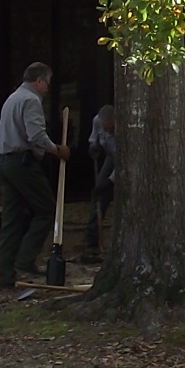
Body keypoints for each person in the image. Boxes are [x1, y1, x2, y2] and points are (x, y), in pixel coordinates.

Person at [0, 62, 68, 288]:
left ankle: (3, 277)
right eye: (47, 83)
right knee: (46, 209)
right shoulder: (30, 100)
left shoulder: (13, 98)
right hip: (21, 163)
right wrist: (56, 149)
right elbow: (35, 134)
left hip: (6, 162)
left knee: (12, 221)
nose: (47, 88)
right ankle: (25, 259)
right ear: (38, 81)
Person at [82, 104, 116, 261]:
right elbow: (94, 137)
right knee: (98, 197)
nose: (107, 131)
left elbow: (125, 162)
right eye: (105, 128)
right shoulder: (97, 121)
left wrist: (109, 182)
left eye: (110, 129)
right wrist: (93, 146)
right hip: (110, 156)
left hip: (124, 158)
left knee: (107, 189)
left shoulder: (125, 129)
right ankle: (92, 238)